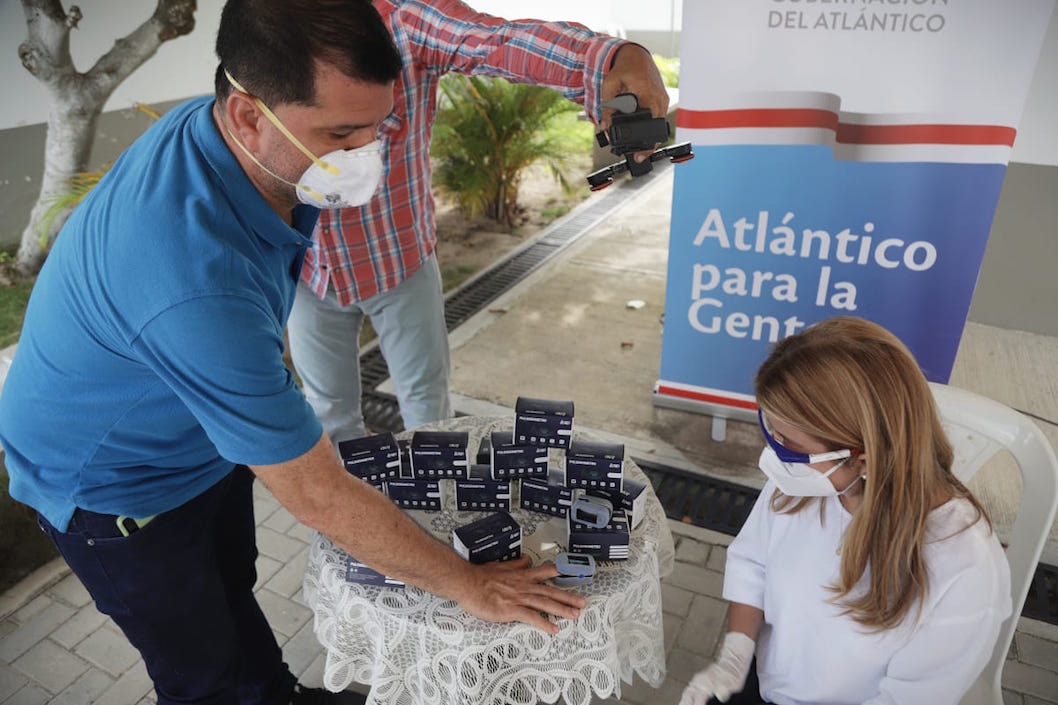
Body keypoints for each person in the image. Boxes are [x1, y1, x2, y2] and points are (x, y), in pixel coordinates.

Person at [0, 2, 585, 704]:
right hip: (115, 494)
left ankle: (276, 690)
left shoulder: (239, 146)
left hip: (198, 446)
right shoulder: (193, 277)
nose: (368, 154)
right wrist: (468, 583)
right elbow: (316, 493)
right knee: (202, 674)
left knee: (235, 593)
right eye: (343, 133)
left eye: (378, 128)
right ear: (249, 115)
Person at [286, 0, 671, 445]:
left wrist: (608, 61)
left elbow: (494, 42)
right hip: (307, 268)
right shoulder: (274, 28)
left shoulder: (403, 19)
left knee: (429, 414)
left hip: (398, 260)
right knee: (327, 417)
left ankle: (435, 508)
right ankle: (352, 511)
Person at [679, 316, 1012, 705]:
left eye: (788, 445)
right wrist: (736, 654)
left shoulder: (964, 571)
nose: (773, 456)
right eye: (771, 432)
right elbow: (753, 562)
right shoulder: (804, 482)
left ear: (866, 459)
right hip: (769, 683)